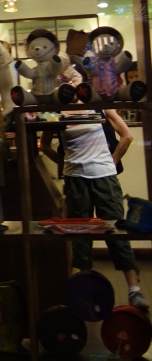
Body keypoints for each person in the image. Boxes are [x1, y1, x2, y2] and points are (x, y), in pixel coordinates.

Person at [41, 108, 148, 312]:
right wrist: (65, 163)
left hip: (104, 179)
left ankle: (134, 290)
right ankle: (86, 290)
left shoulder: (100, 106)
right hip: (75, 181)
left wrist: (110, 164)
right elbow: (44, 145)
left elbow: (127, 136)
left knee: (116, 232)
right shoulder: (57, 110)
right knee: (80, 236)